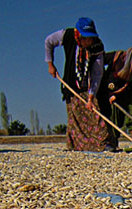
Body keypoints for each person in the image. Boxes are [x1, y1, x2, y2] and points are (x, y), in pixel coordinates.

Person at [45, 17, 112, 151]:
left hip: (88, 86)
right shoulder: (68, 35)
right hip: (71, 85)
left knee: (96, 114)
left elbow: (97, 73)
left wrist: (91, 96)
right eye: (85, 38)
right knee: (75, 119)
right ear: (79, 35)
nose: (88, 41)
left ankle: (104, 144)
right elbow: (49, 41)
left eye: (90, 38)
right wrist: (50, 64)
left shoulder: (97, 46)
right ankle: (76, 147)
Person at [100, 45, 132, 148]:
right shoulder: (117, 58)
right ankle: (112, 140)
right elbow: (99, 61)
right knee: (114, 115)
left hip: (126, 90)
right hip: (110, 91)